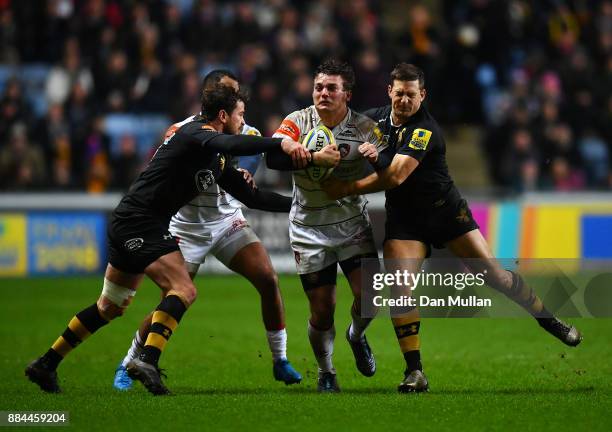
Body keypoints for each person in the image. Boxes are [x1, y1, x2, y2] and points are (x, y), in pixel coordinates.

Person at [25, 84, 318, 396]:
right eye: (240, 115)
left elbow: (252, 196)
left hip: (132, 221)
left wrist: (302, 205)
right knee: (183, 289)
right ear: (222, 115)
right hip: (140, 224)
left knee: (109, 306)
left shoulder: (214, 157)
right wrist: (280, 144)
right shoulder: (195, 133)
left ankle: (46, 363)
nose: (243, 122)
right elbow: (227, 140)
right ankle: (147, 360)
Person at [323, 63, 582, 393]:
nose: (404, 100)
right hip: (406, 222)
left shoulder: (425, 130)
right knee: (400, 289)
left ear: (423, 95)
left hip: (447, 215)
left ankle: (550, 321)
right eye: (399, 93)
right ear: (389, 91)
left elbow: (396, 176)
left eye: (411, 95)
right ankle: (415, 372)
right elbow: (341, 126)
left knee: (498, 277)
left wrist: (349, 185)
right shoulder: (375, 118)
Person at [112, 70, 302, 391]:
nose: (238, 102)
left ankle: (280, 358)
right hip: (186, 226)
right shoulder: (185, 131)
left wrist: (288, 197)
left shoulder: (248, 130)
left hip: (227, 221)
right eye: (229, 95)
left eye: (237, 94)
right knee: (172, 300)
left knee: (268, 279)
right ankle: (130, 360)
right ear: (213, 101)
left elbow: (246, 177)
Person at [269, 59, 387, 392]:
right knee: (322, 310)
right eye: (319, 86)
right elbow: (272, 157)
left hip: (352, 224)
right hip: (309, 227)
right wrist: (311, 157)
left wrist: (377, 158)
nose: (323, 93)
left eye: (331, 88)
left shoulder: (365, 128)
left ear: (346, 94)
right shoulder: (297, 121)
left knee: (372, 298)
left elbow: (390, 167)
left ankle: (356, 335)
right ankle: (326, 372)